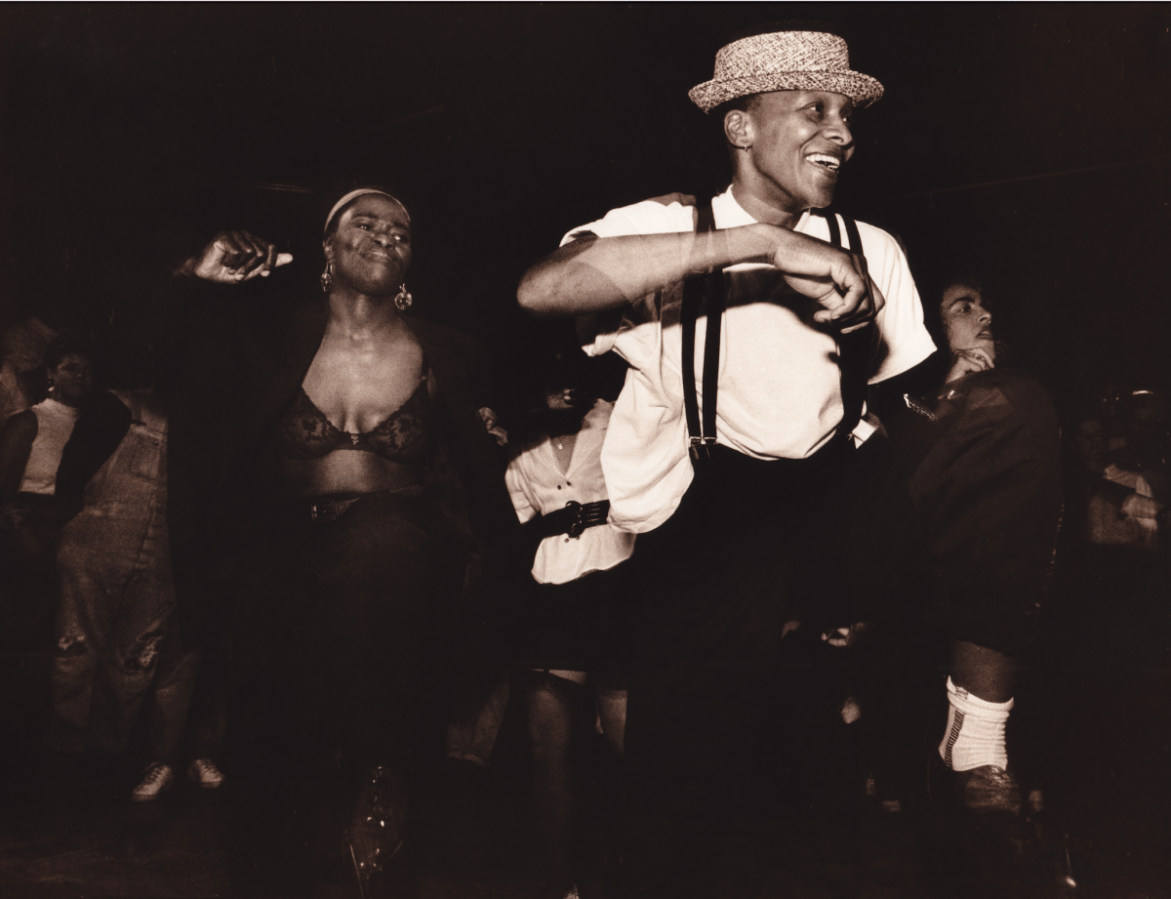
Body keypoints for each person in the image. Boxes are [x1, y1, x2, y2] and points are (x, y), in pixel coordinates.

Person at [518, 25, 935, 896]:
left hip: (837, 495)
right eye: (812, 109)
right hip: (719, 520)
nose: (841, 131)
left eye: (846, 113)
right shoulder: (668, 227)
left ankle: (973, 726)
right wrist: (760, 245)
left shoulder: (875, 247)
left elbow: (906, 413)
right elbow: (542, 288)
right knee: (681, 781)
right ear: (739, 127)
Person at [167, 188, 517, 897]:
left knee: (384, 538)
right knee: (271, 759)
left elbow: (473, 478)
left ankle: (382, 771)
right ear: (325, 248)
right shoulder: (265, 336)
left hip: (398, 562)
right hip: (282, 565)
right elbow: (180, 382)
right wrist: (193, 282)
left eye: (400, 229)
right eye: (364, 222)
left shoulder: (452, 352)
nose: (385, 234)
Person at [839, 277, 1062, 864]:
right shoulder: (885, 404)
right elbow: (877, 490)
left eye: (986, 303)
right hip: (883, 563)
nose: (985, 313)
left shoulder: (1008, 400)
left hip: (963, 578)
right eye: (964, 307)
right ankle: (972, 737)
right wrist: (949, 396)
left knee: (1019, 400)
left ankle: (981, 736)